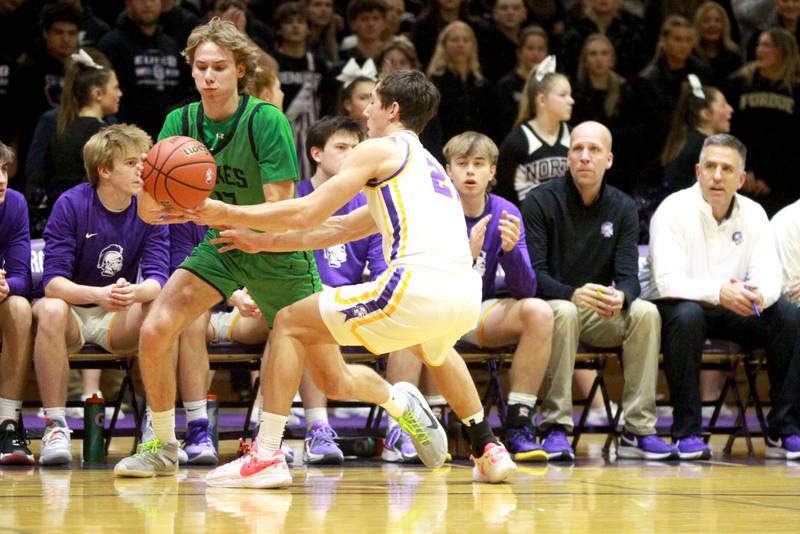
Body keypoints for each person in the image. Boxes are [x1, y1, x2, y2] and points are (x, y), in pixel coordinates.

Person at [194, 70, 518, 487]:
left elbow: (310, 211)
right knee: (428, 351)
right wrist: (265, 243)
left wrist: (229, 212)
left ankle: (267, 453)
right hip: (462, 299)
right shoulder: (429, 165)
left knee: (290, 322)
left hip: (415, 286)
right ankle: (487, 447)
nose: (365, 110)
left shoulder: (379, 149)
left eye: (373, 101)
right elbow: (341, 229)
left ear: (393, 109)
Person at [112, 18, 319, 478]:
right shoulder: (178, 122)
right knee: (156, 327)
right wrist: (153, 185)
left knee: (332, 373)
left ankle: (396, 401)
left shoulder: (267, 121)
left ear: (240, 70)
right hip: (222, 244)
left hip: (274, 245)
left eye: (219, 67)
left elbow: (280, 207)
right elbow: (149, 213)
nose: (209, 76)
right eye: (201, 67)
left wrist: (215, 209)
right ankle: (163, 445)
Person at [389, 131, 553, 463]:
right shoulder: (431, 208)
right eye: (462, 163)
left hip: (477, 313)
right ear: (447, 170)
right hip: (433, 308)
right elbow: (418, 280)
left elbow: (525, 290)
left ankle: (519, 424)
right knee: (412, 317)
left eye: (479, 164)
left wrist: (512, 254)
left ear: (493, 171)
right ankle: (403, 429)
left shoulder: (505, 211)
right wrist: (463, 258)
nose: (470, 172)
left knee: (539, 311)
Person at [522, 121, 676, 461]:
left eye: (593, 150)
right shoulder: (539, 202)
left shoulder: (622, 207)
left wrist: (621, 295)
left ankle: (638, 429)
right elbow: (533, 277)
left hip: (595, 312)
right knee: (562, 310)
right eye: (577, 149)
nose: (585, 157)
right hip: (549, 311)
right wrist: (571, 293)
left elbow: (629, 276)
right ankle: (555, 427)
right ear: (568, 158)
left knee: (646, 312)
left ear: (608, 159)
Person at [647, 133, 800, 460]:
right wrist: (718, 292)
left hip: (735, 307)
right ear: (698, 171)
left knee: (788, 315)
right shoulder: (672, 210)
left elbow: (770, 275)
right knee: (687, 316)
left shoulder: (755, 214)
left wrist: (758, 296)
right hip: (680, 309)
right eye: (711, 167)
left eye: (727, 169)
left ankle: (783, 428)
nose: (717, 176)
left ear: (741, 178)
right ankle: (686, 431)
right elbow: (666, 281)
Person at [33, 124, 169, 466]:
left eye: (143, 162)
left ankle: (158, 427)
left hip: (118, 316)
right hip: (75, 315)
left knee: (161, 306)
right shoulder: (72, 203)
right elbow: (53, 284)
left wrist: (135, 292)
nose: (142, 169)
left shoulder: (150, 207)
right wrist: (98, 293)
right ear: (104, 170)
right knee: (49, 308)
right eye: (130, 163)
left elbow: (158, 278)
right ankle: (55, 424)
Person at [725, 27, 800, 217]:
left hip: (783, 183)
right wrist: (744, 168)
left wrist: (772, 179)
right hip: (741, 176)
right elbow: (730, 132)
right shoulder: (738, 83)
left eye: (767, 45)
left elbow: (793, 143)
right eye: (759, 44)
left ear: (783, 50)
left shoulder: (795, 89)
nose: (759, 50)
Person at [97, 0, 189, 138]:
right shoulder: (111, 45)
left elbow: (183, 92)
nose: (148, 4)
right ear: (128, 3)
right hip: (125, 137)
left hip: (169, 136)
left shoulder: (172, 46)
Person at [495, 57, 572, 205]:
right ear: (542, 100)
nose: (571, 101)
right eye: (563, 95)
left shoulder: (574, 136)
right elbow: (501, 194)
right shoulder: (517, 141)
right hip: (527, 224)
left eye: (570, 95)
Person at [0, 141, 34, 465]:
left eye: (3, 169)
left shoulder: (14, 204)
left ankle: (8, 423)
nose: (1, 179)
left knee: (21, 307)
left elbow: (23, 277)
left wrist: (5, 285)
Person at [662, 77, 733, 195]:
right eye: (723, 105)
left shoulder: (689, 140)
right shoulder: (703, 147)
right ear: (705, 113)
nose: (730, 109)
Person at [426, 21, 492, 144]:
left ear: (473, 45)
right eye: (454, 40)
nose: (460, 44)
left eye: (465, 40)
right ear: (444, 45)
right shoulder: (434, 83)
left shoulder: (482, 84)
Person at [692, 2, 742, 86]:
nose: (712, 25)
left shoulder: (734, 56)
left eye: (717, 21)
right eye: (706, 21)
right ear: (698, 26)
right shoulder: (690, 55)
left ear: (724, 25)